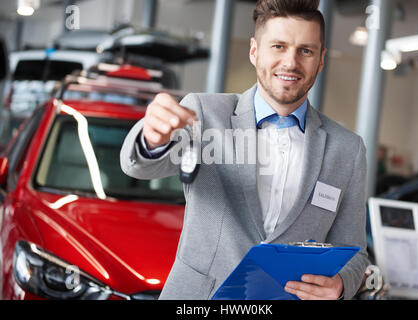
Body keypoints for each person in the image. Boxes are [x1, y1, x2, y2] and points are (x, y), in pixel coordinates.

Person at [120, 0, 369, 300]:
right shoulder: (204, 113)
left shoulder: (347, 149)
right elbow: (139, 167)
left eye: (306, 50)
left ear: (321, 59)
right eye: (278, 46)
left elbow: (354, 251)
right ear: (254, 51)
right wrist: (152, 139)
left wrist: (341, 284)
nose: (291, 62)